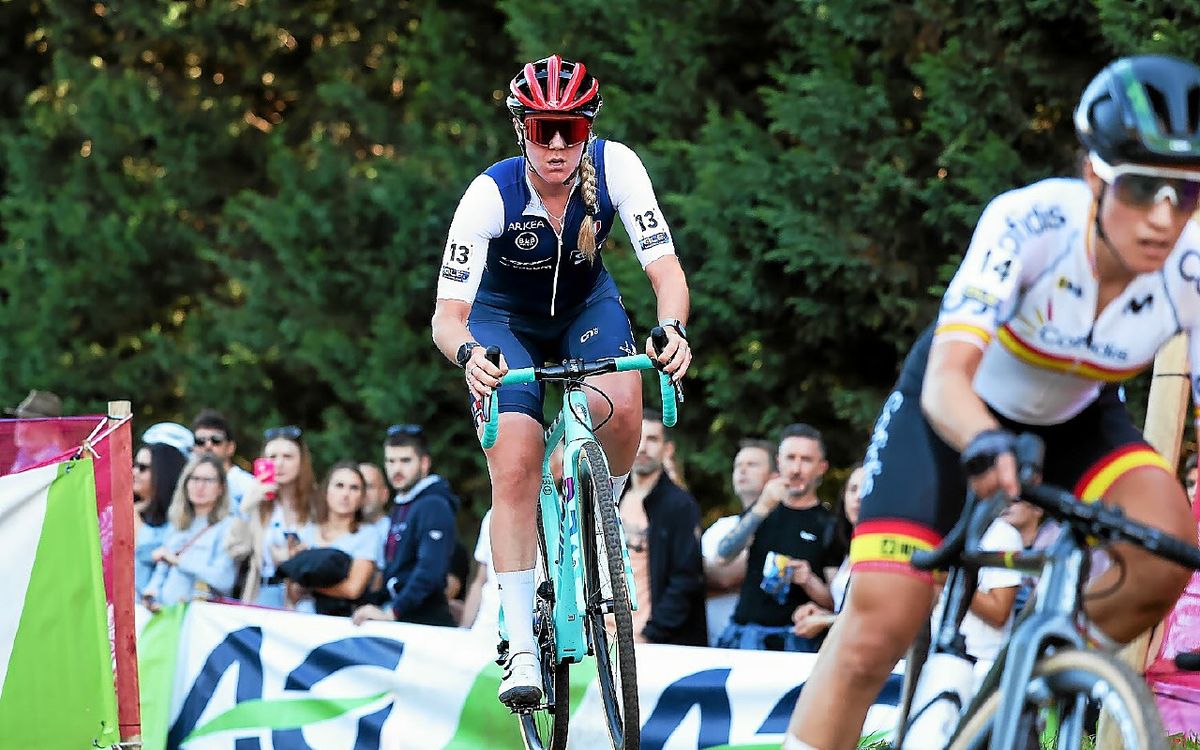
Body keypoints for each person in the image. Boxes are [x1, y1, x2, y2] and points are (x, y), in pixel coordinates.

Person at [788, 55, 1200, 749]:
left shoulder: (1191, 262)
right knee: (876, 629)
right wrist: (983, 441)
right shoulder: (1028, 222)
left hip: (1077, 418)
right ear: (1094, 177)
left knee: (1170, 546)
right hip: (954, 411)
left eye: (1187, 196)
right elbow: (950, 374)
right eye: (1143, 188)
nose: (1164, 219)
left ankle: (1027, 676)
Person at [430, 54, 692, 706]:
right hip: (501, 320)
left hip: (584, 310)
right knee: (514, 459)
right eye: (542, 128)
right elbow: (447, 317)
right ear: (520, 126)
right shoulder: (490, 193)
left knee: (625, 402)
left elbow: (665, 272)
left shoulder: (617, 168)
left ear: (587, 130)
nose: (555, 145)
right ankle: (520, 643)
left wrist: (673, 330)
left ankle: (599, 516)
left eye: (569, 131)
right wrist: (469, 355)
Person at [714, 424, 845, 652]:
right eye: (790, 458)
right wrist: (762, 507)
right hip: (744, 636)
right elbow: (724, 555)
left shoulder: (829, 525)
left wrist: (808, 580)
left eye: (806, 460)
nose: (796, 468)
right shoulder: (762, 508)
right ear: (779, 462)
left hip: (796, 641)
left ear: (821, 467)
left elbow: (837, 602)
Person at [616, 409, 706, 646]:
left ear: (668, 449)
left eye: (653, 440)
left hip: (652, 639)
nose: (643, 447)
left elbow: (686, 579)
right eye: (639, 439)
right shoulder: (611, 497)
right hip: (604, 638)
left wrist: (650, 635)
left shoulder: (680, 505)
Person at [352, 428, 459, 626]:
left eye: (405, 460)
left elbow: (429, 571)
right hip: (403, 619)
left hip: (424, 625)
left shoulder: (434, 504)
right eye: (390, 461)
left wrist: (393, 611)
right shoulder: (402, 504)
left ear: (424, 463)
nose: (397, 469)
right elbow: (397, 572)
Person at [225, 426, 317, 608]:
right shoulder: (255, 502)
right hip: (263, 592)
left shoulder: (317, 502)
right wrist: (246, 508)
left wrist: (295, 560)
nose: (279, 464)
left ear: (302, 462)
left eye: (287, 457)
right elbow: (235, 550)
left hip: (304, 598)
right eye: (272, 457)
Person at [702, 439, 777, 646]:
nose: (742, 470)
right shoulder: (720, 527)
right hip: (710, 647)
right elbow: (693, 577)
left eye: (752, 464)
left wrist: (714, 578)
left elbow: (724, 577)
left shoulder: (780, 528)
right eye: (738, 465)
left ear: (774, 476)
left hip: (756, 646)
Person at [142, 454, 237, 610]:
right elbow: (162, 569)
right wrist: (151, 594)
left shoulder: (228, 526)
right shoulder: (177, 524)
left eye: (208, 480)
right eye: (194, 479)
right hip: (167, 614)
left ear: (221, 487)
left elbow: (224, 579)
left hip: (202, 618)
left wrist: (179, 561)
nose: (200, 486)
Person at [286, 461, 381, 616]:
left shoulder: (368, 535)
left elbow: (353, 590)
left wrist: (308, 583)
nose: (345, 494)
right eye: (339, 485)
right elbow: (293, 593)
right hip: (302, 620)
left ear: (362, 497)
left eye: (354, 488)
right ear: (326, 491)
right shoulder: (306, 532)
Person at [789, 462, 866, 640]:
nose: (859, 496)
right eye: (853, 489)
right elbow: (844, 610)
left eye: (867, 488)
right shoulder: (848, 549)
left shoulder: (887, 549)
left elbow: (881, 618)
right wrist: (821, 613)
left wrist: (825, 620)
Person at [133, 442, 189, 598]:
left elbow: (141, 552)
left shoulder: (179, 520)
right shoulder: (130, 510)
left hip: (157, 608)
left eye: (143, 468)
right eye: (135, 465)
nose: (134, 472)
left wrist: (133, 515)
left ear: (163, 473)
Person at [191, 409, 255, 512]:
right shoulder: (188, 485)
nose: (208, 445)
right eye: (200, 441)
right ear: (193, 448)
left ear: (230, 447)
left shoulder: (248, 486)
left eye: (216, 440)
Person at [5, 389, 70, 473]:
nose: (24, 429)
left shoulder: (56, 463)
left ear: (52, 429)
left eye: (33, 422)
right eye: (21, 420)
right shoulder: (24, 454)